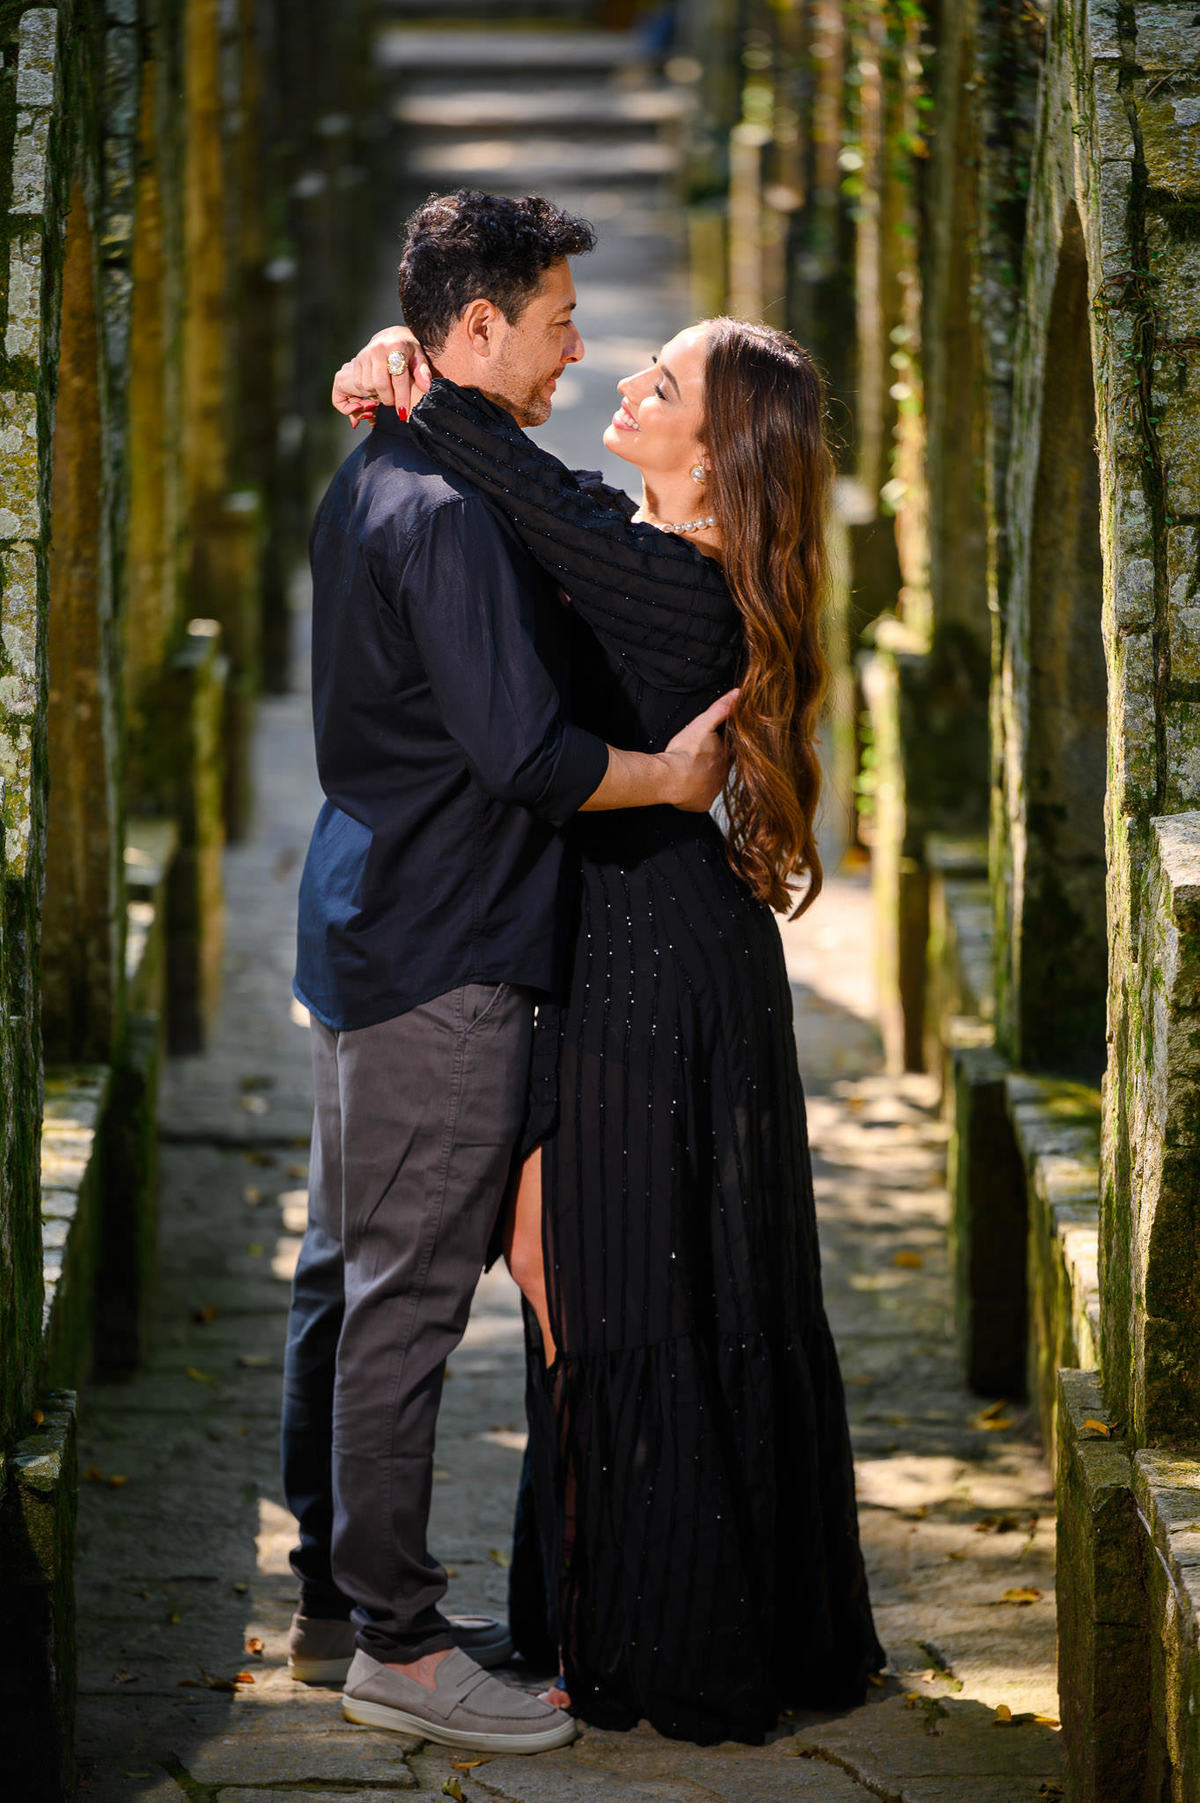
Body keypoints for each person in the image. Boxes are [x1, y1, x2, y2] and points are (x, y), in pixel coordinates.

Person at [334, 297, 886, 1745]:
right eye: (635, 365)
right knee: (586, 1286)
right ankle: (611, 1613)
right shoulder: (641, 541)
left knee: (603, 1291)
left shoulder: (683, 585)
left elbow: (517, 487)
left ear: (722, 452)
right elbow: (544, 497)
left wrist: (414, 382)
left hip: (651, 968)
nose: (625, 384)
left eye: (663, 381)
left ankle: (652, 1638)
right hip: (619, 947)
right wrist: (392, 358)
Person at [283, 190, 737, 1757]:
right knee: (405, 1301)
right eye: (552, 322)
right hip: (447, 949)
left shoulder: (384, 465)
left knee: (352, 1279)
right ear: (471, 330)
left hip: (369, 919)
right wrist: (670, 786)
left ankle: (342, 1602)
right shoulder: (448, 511)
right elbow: (530, 759)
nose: (575, 347)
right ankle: (398, 1648)